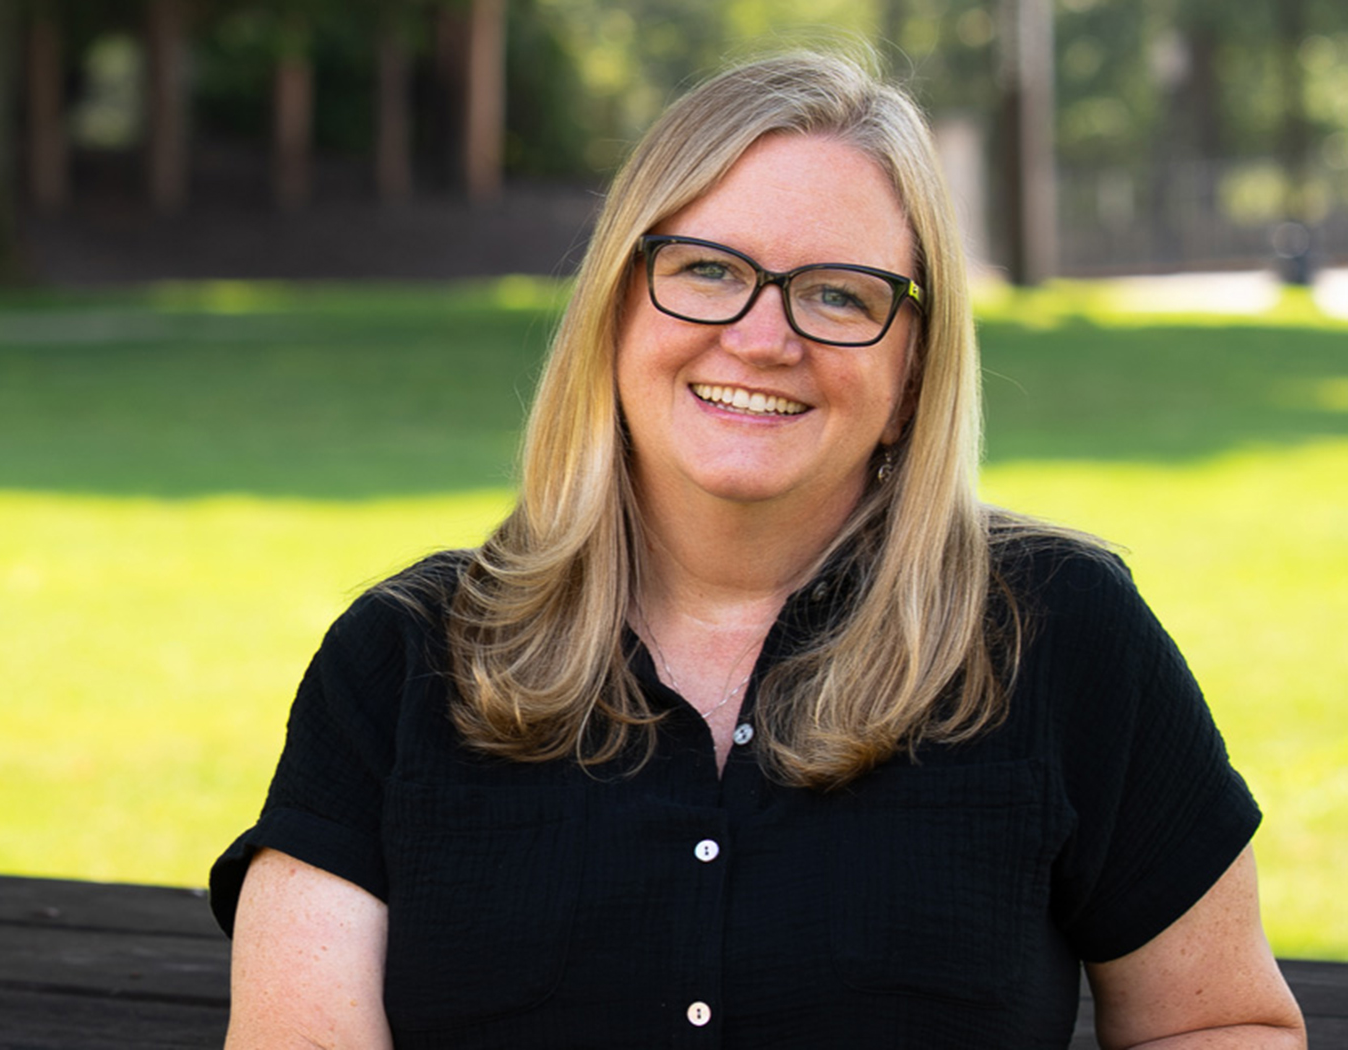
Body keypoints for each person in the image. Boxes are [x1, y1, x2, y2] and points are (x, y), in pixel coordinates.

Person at [210, 48, 1306, 1049]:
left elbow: (1216, 1026)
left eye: (838, 294)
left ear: (912, 371)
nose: (763, 337)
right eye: (705, 269)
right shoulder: (399, 661)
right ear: (613, 308)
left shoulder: (1060, 633)